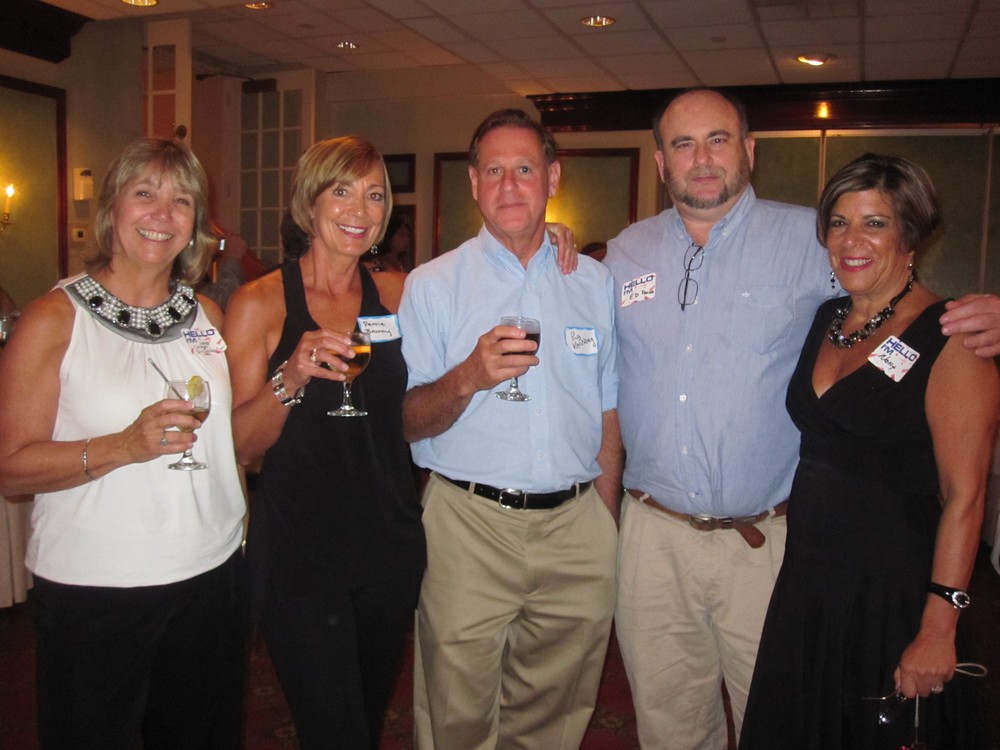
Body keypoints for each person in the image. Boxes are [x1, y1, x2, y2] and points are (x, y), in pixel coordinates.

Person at [602, 87, 1000, 748]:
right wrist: (545, 242)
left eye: (718, 139)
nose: (702, 158)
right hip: (653, 539)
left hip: (772, 546)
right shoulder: (624, 254)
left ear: (748, 150)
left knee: (785, 724)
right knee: (669, 728)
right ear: (662, 161)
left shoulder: (812, 240)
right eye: (683, 144)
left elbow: (902, 301)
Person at [739, 154, 999, 749]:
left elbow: (966, 497)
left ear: (910, 235)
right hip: (808, 583)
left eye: (874, 223)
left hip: (892, 592)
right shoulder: (827, 318)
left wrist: (940, 624)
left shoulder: (952, 336)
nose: (850, 240)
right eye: (838, 222)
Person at [0, 138, 246, 749]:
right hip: (97, 587)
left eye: (182, 200)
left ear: (196, 223)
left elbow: (227, 440)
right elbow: (10, 468)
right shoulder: (53, 319)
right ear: (111, 208)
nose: (163, 214)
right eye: (145, 194)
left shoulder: (206, 316)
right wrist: (122, 447)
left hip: (210, 574)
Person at [398, 108, 622, 750]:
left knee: (556, 711)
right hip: (468, 525)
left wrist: (603, 525)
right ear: (473, 183)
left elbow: (607, 413)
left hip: (575, 527)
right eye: (493, 171)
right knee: (456, 714)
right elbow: (406, 421)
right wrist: (468, 376)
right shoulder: (433, 285)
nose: (509, 185)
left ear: (552, 177)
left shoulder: (593, 281)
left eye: (524, 169)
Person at [222, 136, 426, 750]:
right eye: (342, 191)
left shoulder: (400, 293)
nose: (360, 210)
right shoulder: (259, 304)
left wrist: (547, 239)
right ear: (309, 202)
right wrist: (290, 378)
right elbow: (241, 444)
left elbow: (484, 289)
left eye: (374, 195)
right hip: (301, 551)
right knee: (333, 729)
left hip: (388, 543)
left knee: (364, 716)